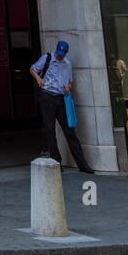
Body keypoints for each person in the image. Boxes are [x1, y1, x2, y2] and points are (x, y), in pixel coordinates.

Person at [30, 40, 94, 173]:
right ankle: (56, 162)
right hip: (47, 96)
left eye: (62, 55)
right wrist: (38, 79)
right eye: (59, 54)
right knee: (50, 130)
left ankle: (82, 164)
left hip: (60, 99)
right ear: (56, 50)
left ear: (66, 53)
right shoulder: (47, 58)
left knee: (70, 130)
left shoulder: (68, 64)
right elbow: (33, 69)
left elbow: (70, 81)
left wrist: (68, 88)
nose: (60, 57)